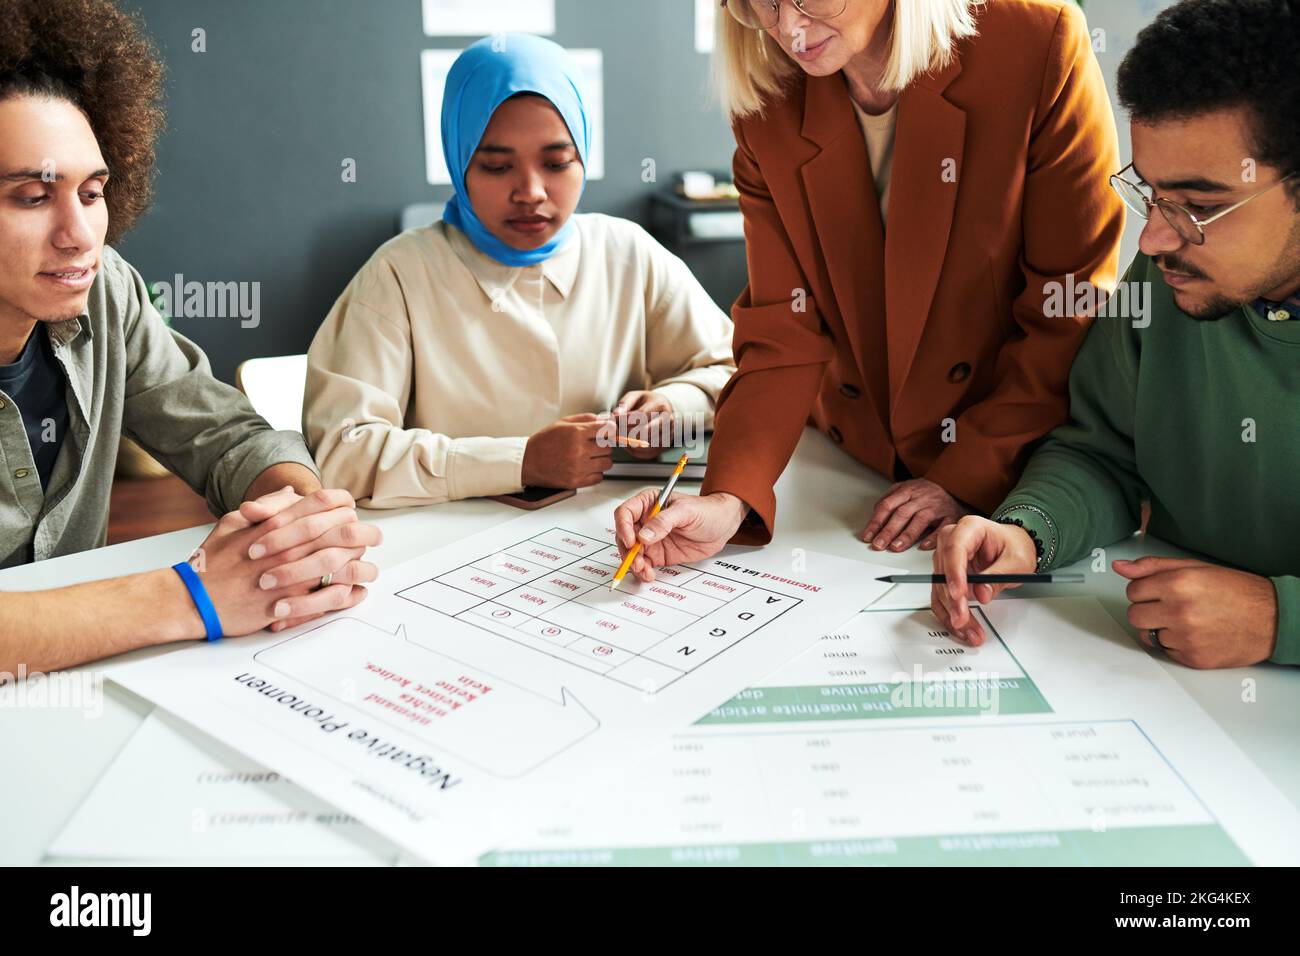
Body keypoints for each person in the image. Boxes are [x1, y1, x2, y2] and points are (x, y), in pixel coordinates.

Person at [613, 0, 1124, 582]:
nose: (790, 29)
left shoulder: (1038, 42)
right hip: (852, 459)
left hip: (1007, 461)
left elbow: (1065, 311)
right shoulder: (769, 103)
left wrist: (966, 474)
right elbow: (784, 331)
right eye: (762, 4)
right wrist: (729, 497)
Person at [0, 0, 379, 674]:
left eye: (92, 192)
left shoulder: (107, 287)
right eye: (32, 196)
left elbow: (225, 437)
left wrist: (296, 523)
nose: (80, 234)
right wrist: (190, 595)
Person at [930, 0, 1300, 669]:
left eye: (1201, 207)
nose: (1155, 238)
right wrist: (1025, 532)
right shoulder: (1172, 272)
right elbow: (1103, 452)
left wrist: (1279, 621)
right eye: (1150, 194)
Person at [304, 34, 736, 507]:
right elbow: (343, 455)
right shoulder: (398, 275)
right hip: (448, 546)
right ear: (458, 160)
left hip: (599, 532)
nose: (530, 191)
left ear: (582, 157)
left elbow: (734, 369)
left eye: (556, 162)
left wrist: (675, 406)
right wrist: (521, 461)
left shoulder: (627, 252)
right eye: (495, 166)